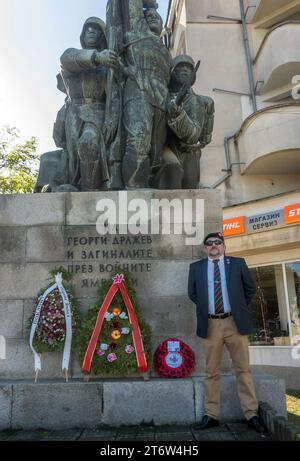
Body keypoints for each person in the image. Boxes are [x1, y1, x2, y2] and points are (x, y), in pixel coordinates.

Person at [188, 232, 264, 432]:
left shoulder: (238, 264)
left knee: (243, 370)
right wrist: (208, 309)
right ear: (205, 248)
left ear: (224, 246)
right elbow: (193, 293)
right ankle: (211, 415)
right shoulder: (196, 268)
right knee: (211, 372)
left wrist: (237, 309)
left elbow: (250, 289)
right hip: (211, 324)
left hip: (234, 323)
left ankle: (251, 415)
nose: (213, 245)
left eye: (217, 242)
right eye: (209, 243)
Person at [59, 17, 119, 191]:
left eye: (96, 29)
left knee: (89, 141)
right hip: (74, 115)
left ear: (102, 36)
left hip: (98, 113)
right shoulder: (73, 56)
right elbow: (65, 59)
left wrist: (111, 119)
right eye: (88, 29)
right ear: (82, 34)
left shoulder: (109, 67)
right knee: (74, 157)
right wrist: (97, 57)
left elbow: (114, 97)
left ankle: (89, 190)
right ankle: (76, 183)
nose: (91, 31)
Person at [121, 0, 172, 188]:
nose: (152, 17)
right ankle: (134, 187)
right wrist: (150, 4)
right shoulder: (136, 33)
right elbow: (132, 5)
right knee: (138, 139)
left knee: (155, 150)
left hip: (161, 98)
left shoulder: (166, 51)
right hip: (138, 90)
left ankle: (147, 183)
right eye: (147, 16)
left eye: (156, 17)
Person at [155, 55, 214, 189]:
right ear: (172, 71)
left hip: (188, 152)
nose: (185, 70)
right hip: (164, 148)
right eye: (180, 67)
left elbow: (195, 136)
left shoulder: (201, 102)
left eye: (189, 68)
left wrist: (177, 114)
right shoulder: (161, 97)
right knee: (173, 171)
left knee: (190, 188)